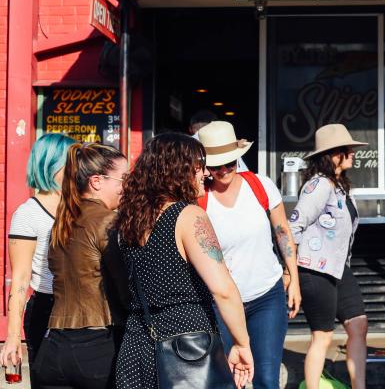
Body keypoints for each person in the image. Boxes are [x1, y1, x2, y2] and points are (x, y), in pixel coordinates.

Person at [113, 133, 254, 389]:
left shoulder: (127, 221)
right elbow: (223, 290)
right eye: (200, 166)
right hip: (187, 348)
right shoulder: (188, 216)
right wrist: (242, 343)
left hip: (136, 346)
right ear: (179, 170)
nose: (206, 174)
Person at [197, 121, 301, 389]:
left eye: (229, 163)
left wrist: (293, 277)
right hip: (221, 304)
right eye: (215, 165)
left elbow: (283, 233)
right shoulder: (199, 199)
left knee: (267, 379)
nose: (223, 170)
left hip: (267, 296)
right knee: (228, 381)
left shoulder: (260, 186)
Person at [34, 143, 130, 389]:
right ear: (97, 181)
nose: (128, 187)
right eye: (124, 179)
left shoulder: (62, 220)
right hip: (98, 346)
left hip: (53, 346)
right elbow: (125, 288)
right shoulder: (109, 221)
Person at [290, 124, 369, 389]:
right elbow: (293, 226)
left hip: (338, 268)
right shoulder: (319, 185)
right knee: (322, 336)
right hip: (315, 269)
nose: (353, 154)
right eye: (349, 150)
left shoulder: (340, 187)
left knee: (358, 325)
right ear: (334, 154)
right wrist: (291, 270)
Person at [0, 132, 76, 381]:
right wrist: (12, 338)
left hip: (86, 307)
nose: (79, 167)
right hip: (47, 308)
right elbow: (20, 279)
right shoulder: (27, 214)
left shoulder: (83, 206)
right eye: (72, 160)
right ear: (51, 164)